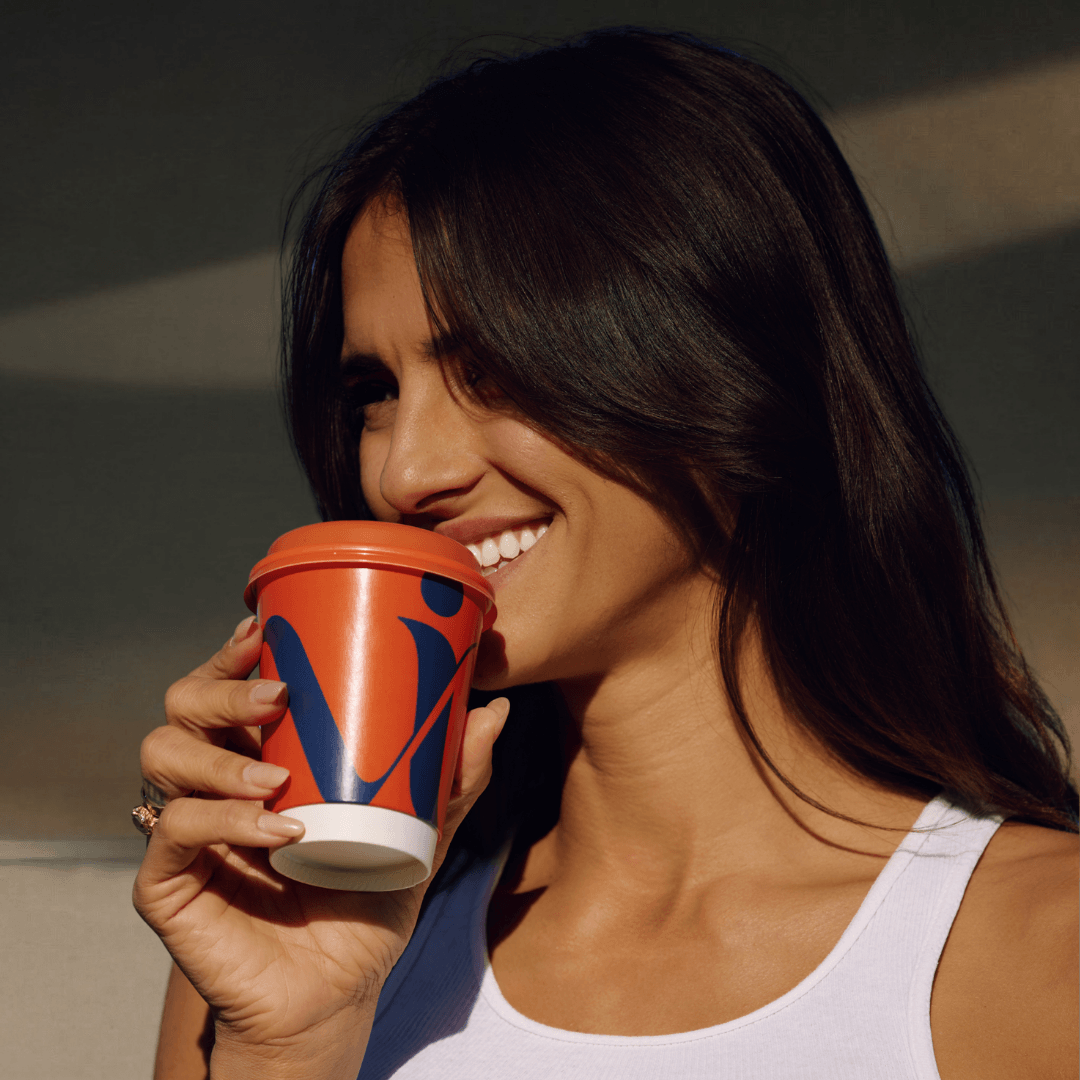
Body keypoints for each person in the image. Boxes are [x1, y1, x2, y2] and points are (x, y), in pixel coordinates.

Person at [133, 27, 1078, 1080]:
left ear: (732, 365)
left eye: (491, 368)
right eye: (376, 393)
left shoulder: (1040, 953)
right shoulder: (299, 935)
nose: (404, 473)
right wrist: (291, 1048)